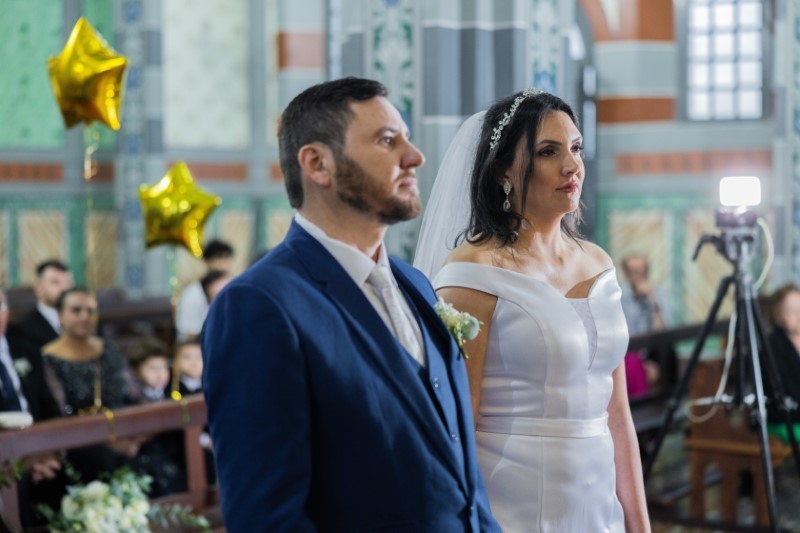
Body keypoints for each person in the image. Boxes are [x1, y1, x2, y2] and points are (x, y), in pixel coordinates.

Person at [202, 77, 499, 531]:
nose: (415, 157)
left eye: (407, 138)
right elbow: (269, 519)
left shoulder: (415, 284)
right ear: (318, 164)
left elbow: (464, 483)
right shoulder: (259, 306)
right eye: (387, 140)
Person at [414, 89, 650, 532]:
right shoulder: (472, 274)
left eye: (576, 148)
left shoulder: (599, 264)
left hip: (598, 499)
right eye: (548, 152)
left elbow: (617, 414)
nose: (572, 165)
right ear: (503, 170)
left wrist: (639, 523)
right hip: (515, 500)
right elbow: (460, 422)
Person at [42, 288, 141, 482]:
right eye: (76, 310)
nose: (84, 317)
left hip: (125, 435)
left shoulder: (109, 349)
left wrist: (135, 438)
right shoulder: (48, 358)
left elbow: (136, 398)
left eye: (90, 311)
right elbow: (58, 414)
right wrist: (108, 441)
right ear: (60, 315)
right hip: (80, 445)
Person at [7, 260, 74, 377]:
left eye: (68, 283)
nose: (64, 288)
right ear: (38, 288)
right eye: (55, 282)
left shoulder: (87, 323)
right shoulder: (23, 330)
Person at [620, 252, 670, 397]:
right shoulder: (619, 296)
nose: (640, 276)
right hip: (628, 355)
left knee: (668, 351)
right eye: (635, 272)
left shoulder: (657, 293)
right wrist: (642, 364)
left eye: (644, 271)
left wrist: (652, 300)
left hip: (651, 354)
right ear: (627, 274)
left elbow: (662, 331)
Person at [175, 240, 234, 340]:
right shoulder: (193, 293)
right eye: (219, 257)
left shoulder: (233, 286)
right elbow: (190, 334)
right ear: (207, 262)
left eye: (227, 257)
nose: (225, 263)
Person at [763, 284, 800, 444]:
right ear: (778, 316)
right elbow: (784, 391)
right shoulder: (773, 346)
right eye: (792, 311)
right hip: (784, 419)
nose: (799, 316)